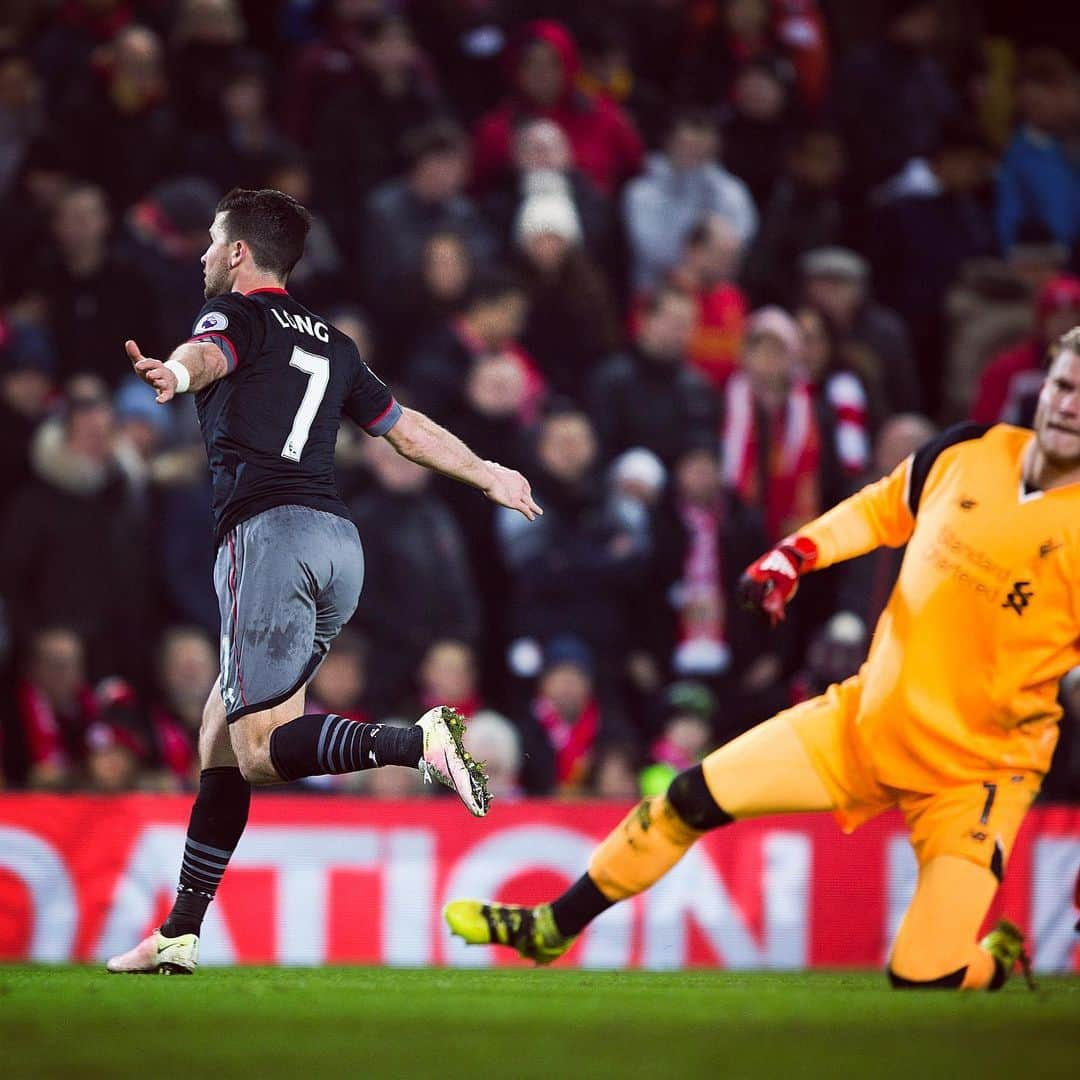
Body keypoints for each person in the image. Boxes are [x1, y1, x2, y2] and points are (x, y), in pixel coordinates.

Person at [446, 328, 1080, 992]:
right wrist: (796, 553)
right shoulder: (969, 451)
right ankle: (550, 926)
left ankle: (999, 957)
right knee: (687, 797)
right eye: (1063, 385)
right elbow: (881, 508)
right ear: (1044, 386)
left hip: (974, 774)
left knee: (925, 970)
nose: (1067, 405)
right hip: (865, 722)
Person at [106, 186, 542, 975]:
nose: (205, 253)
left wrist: (174, 371)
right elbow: (402, 428)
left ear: (239, 252)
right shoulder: (333, 341)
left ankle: (417, 741)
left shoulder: (233, 315)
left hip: (269, 537)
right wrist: (486, 472)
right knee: (221, 738)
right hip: (339, 544)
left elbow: (207, 356)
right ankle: (179, 932)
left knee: (263, 750)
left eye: (212, 240)